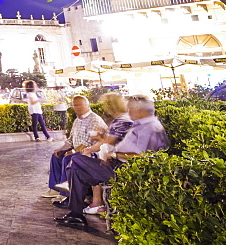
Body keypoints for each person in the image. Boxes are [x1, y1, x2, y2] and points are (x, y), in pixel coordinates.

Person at [56, 95, 168, 227]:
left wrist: (114, 154)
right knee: (76, 168)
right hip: (118, 165)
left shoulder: (148, 128)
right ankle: (76, 213)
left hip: (124, 170)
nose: (128, 112)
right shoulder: (143, 125)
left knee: (76, 160)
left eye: (130, 109)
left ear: (139, 110)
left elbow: (141, 156)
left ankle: (76, 209)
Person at [41, 95, 105, 198]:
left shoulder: (94, 120)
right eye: (75, 105)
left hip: (91, 152)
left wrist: (73, 151)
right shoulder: (77, 120)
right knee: (56, 156)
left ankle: (65, 194)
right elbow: (70, 139)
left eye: (80, 105)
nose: (77, 107)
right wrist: (61, 150)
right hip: (78, 149)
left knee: (68, 158)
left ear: (87, 105)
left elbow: (88, 143)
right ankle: (55, 189)